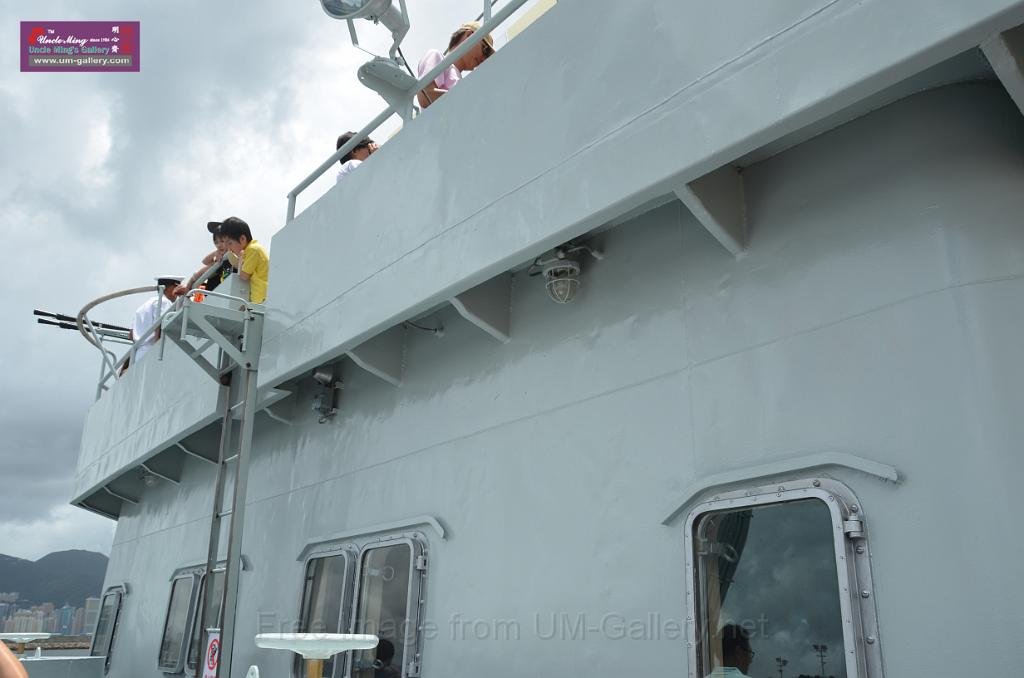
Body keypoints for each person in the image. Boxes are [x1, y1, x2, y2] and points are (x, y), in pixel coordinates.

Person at [416, 21, 495, 109]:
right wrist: (467, 104)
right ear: (469, 35)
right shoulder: (436, 56)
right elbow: (425, 95)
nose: (484, 59)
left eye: (487, 57)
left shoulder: (463, 82)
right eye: (485, 50)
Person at [175, 222, 238, 297]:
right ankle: (187, 290)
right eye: (216, 242)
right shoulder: (220, 257)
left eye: (222, 241)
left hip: (224, 296)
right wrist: (216, 253)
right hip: (213, 296)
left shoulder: (235, 255)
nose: (219, 245)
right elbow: (204, 261)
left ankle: (187, 290)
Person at [216, 216, 269, 304]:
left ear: (242, 239)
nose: (228, 247)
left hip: (261, 298)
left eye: (230, 243)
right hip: (260, 298)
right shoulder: (251, 249)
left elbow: (243, 276)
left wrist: (240, 259)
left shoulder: (253, 250)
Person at [130, 275, 182, 364]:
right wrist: (158, 349)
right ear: (167, 288)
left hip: (139, 354)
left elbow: (131, 335)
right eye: (176, 287)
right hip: (153, 351)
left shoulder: (142, 307)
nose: (177, 292)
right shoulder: (164, 302)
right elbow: (161, 326)